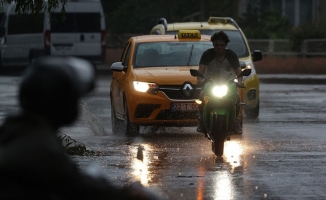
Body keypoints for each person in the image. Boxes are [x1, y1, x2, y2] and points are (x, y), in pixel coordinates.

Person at [0, 56, 161, 200]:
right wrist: (129, 195)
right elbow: (78, 186)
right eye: (72, 98)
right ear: (59, 103)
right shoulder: (41, 148)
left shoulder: (14, 131)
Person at [197, 31, 243, 134]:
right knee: (201, 95)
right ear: (213, 44)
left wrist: (240, 82)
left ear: (225, 45)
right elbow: (200, 71)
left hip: (228, 83)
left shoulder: (231, 55)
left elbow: (239, 71)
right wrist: (200, 80)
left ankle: (235, 120)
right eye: (216, 45)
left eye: (221, 45)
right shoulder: (207, 54)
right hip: (210, 83)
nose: (219, 47)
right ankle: (201, 120)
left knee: (237, 96)